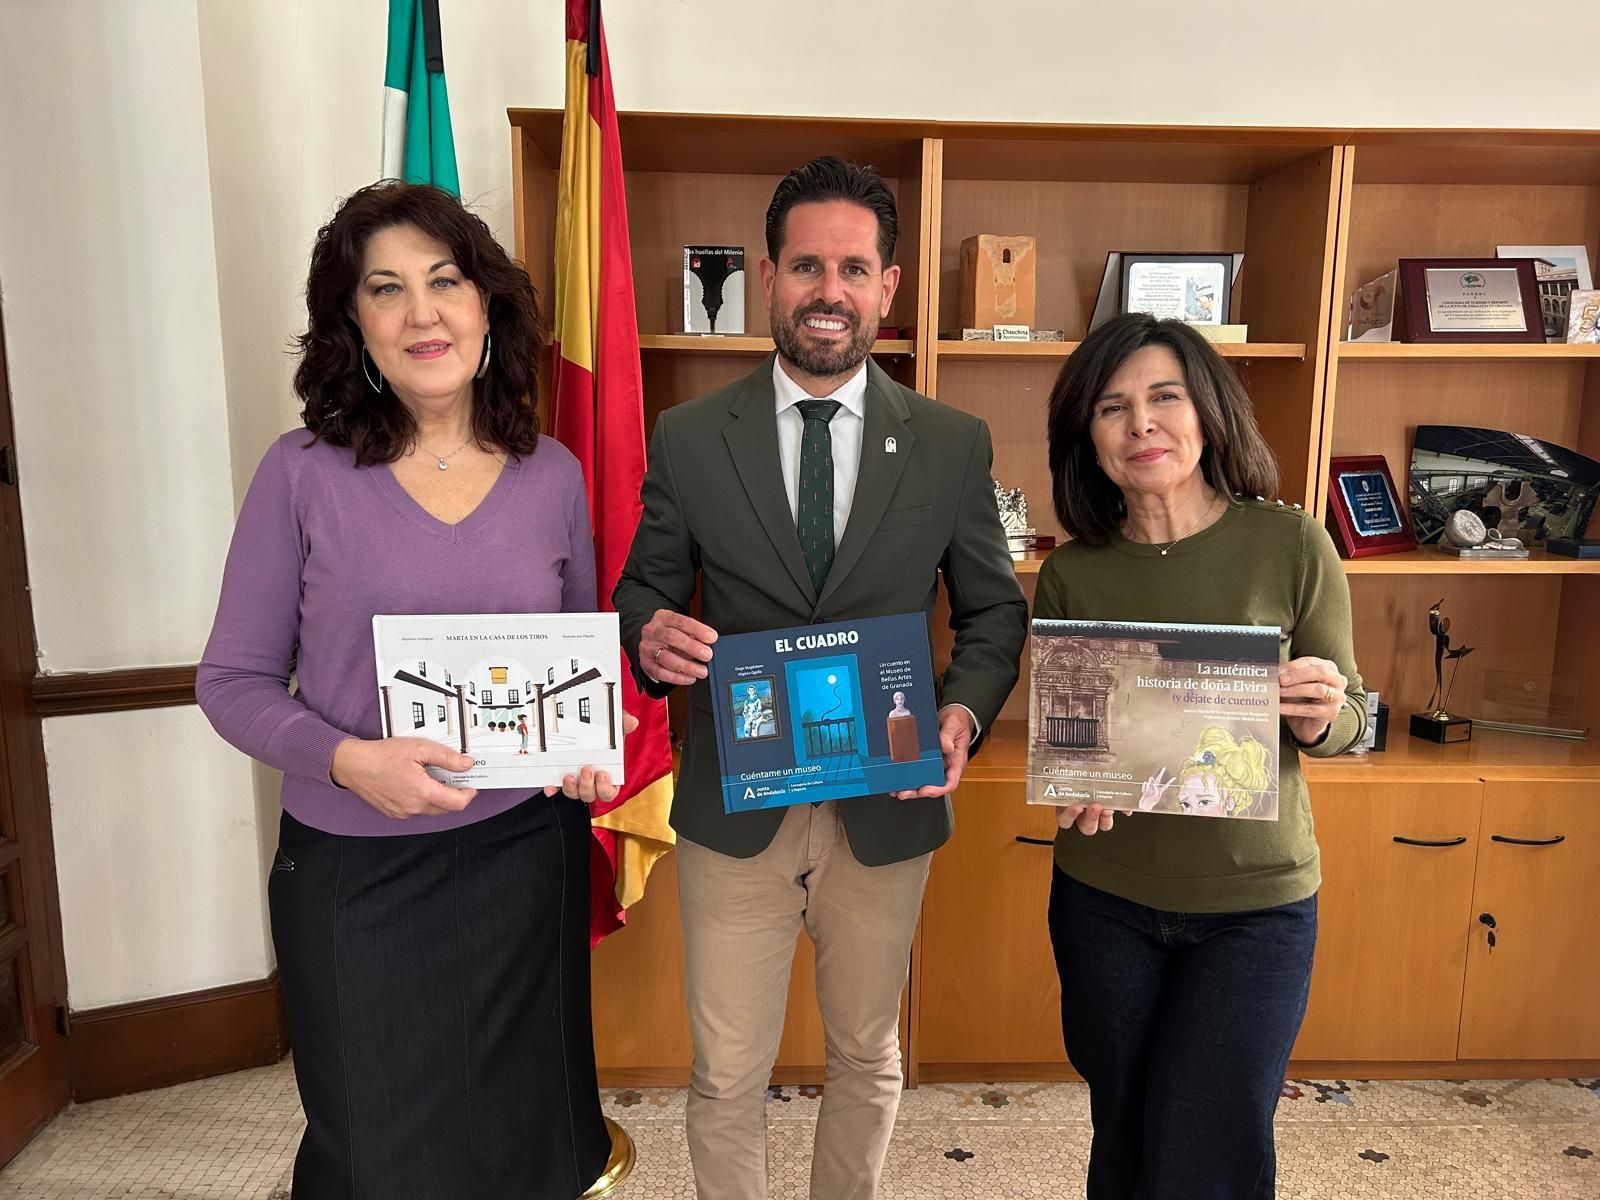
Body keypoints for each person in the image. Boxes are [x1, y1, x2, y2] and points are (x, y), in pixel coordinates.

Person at [196, 181, 627, 1200]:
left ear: (487, 306)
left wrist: (582, 749)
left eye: (445, 281)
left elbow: (572, 664)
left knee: (530, 1143)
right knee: (378, 1156)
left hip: (527, 862)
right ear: (354, 323)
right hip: (357, 877)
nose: (421, 311)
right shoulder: (299, 474)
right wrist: (351, 761)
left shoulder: (553, 475)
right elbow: (230, 681)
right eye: (385, 290)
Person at [613, 156, 1028, 1200]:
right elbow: (640, 595)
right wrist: (647, 638)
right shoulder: (690, 437)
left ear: (888, 287)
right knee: (725, 1073)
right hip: (735, 806)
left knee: (867, 1055)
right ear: (767, 276)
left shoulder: (948, 444)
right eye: (807, 265)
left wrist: (962, 712)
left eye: (853, 267)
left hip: (883, 803)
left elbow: (991, 612)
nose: (828, 291)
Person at [1035, 312, 1366, 1199]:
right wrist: (1078, 784)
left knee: (1209, 1143)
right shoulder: (1073, 571)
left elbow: (1354, 716)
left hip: (1253, 909)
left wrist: (1319, 716)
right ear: (1089, 438)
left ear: (1208, 412)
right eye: (1112, 407)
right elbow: (1077, 737)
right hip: (1105, 899)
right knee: (1128, 1128)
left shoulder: (1290, 542)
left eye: (1163, 397)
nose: (1141, 423)